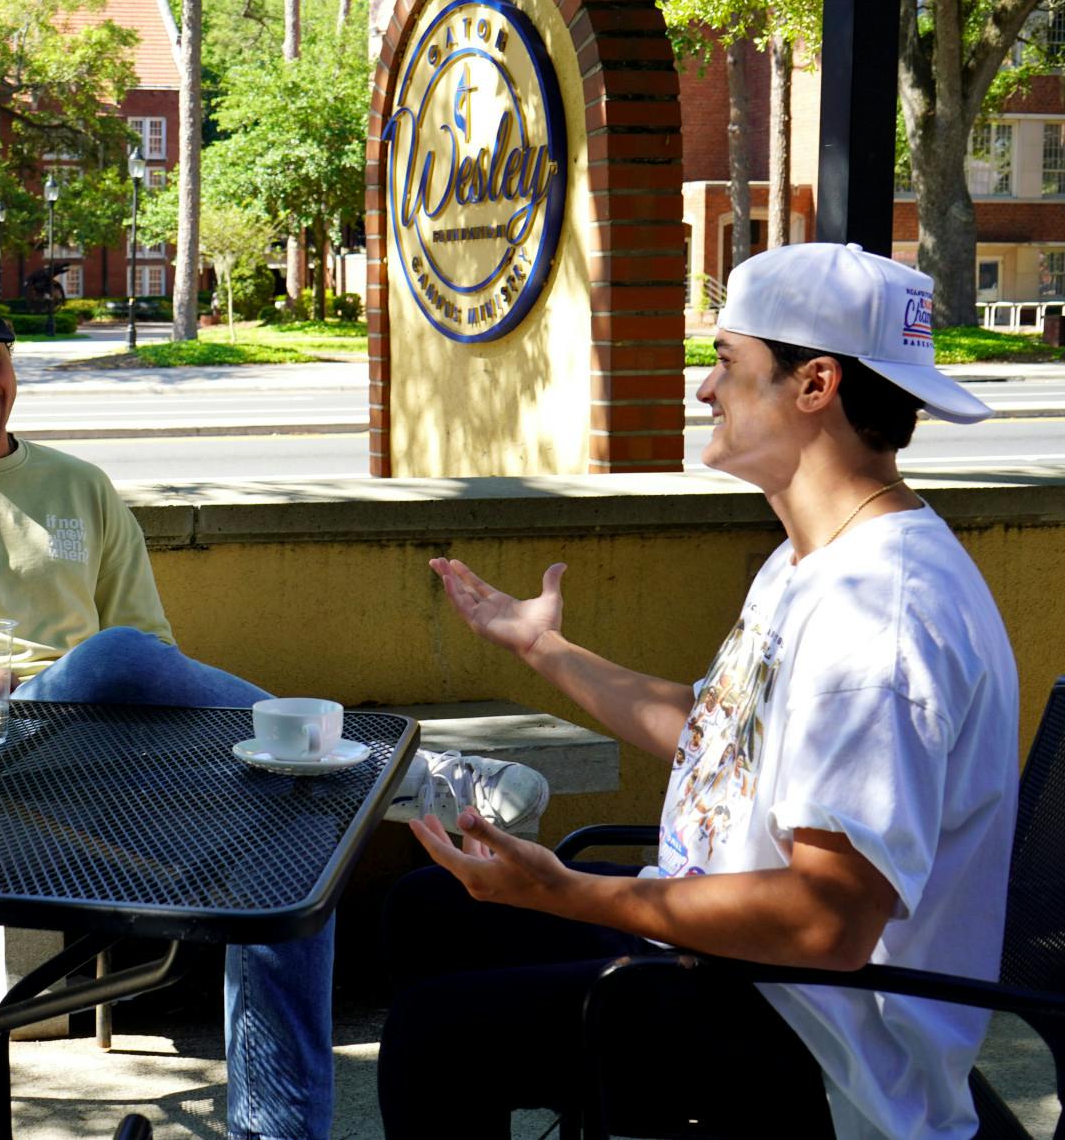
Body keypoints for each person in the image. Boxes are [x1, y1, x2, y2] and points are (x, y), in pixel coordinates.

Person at [0, 268, 550, 1140]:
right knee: (117, 658)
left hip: (101, 784)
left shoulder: (80, 489)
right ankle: (391, 774)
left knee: (290, 836)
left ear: (12, 359)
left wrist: (102, 695)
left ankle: (276, 1133)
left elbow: (153, 675)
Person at [379, 243, 1018, 1139]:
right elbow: (726, 735)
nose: (702, 390)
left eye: (725, 360)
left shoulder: (882, 618)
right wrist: (545, 648)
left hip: (826, 1044)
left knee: (433, 1039)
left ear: (815, 385)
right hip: (739, 968)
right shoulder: (813, 558)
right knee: (429, 911)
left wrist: (566, 891)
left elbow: (825, 922)